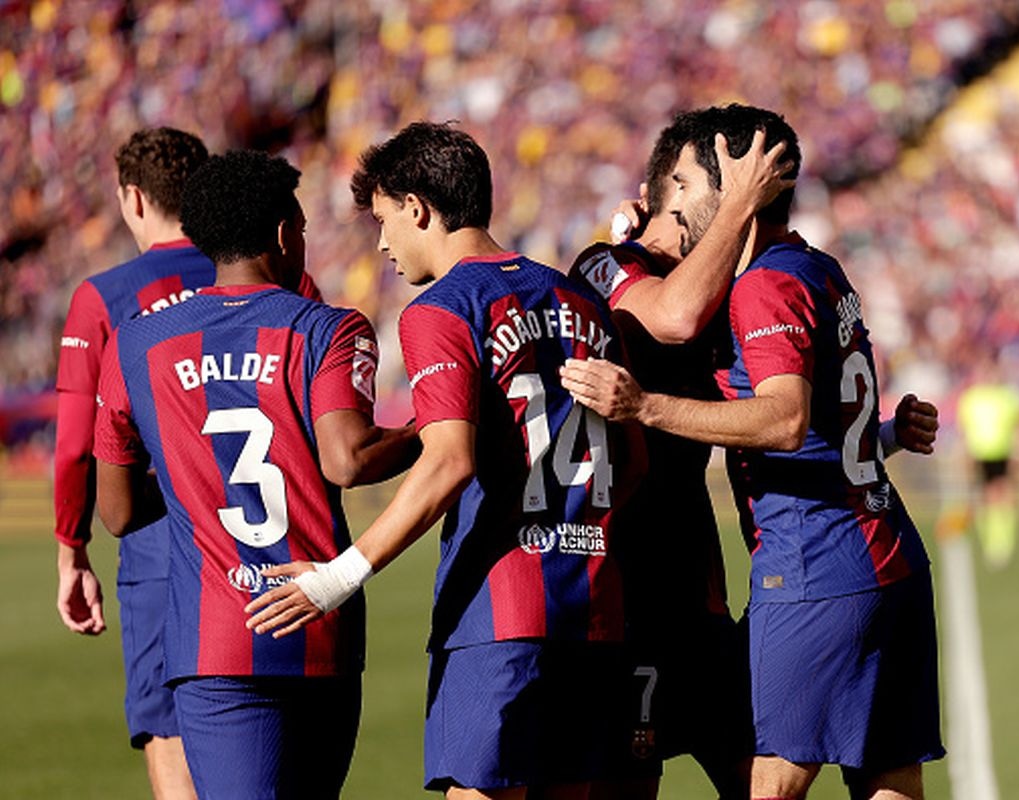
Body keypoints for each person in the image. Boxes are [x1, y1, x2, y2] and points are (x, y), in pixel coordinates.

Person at [246, 121, 647, 800]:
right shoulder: (585, 302)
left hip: (503, 616)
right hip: (596, 614)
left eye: (383, 220)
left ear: (417, 208)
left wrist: (338, 578)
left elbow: (448, 461)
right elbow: (632, 461)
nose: (381, 242)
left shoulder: (442, 308)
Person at [561, 105, 943, 800]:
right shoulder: (808, 268)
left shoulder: (759, 282)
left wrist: (643, 404)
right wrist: (882, 435)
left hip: (804, 565)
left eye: (692, 182)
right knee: (883, 774)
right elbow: (679, 317)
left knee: (766, 784)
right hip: (852, 557)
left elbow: (788, 418)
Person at [92, 149, 415, 800]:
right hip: (320, 624)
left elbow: (119, 513)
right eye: (299, 226)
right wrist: (429, 434)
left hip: (216, 639)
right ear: (280, 234)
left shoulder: (136, 343)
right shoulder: (328, 329)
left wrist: (195, 479)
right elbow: (348, 460)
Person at [572, 111, 793, 799]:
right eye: (716, 190)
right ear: (670, 192)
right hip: (624, 588)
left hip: (697, 595)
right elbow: (671, 317)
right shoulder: (603, 263)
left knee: (762, 779)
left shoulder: (732, 279)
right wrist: (736, 208)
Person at [53, 126, 211, 800]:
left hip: (159, 545)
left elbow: (72, 445)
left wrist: (71, 552)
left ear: (134, 199)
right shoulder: (272, 270)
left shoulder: (106, 296)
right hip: (268, 540)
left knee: (170, 733)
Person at [957, 363, 1019, 569]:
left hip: (1002, 451)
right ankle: (990, 540)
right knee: (985, 497)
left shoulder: (1009, 398)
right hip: (980, 453)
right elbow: (965, 431)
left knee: (1002, 495)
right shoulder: (971, 398)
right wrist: (965, 456)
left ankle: (1001, 541)